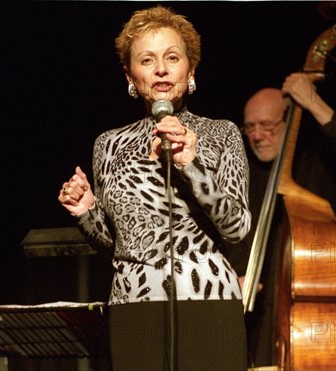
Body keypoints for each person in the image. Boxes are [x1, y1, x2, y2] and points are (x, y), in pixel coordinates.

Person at [57, 6, 250, 371]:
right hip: (133, 304)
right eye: (147, 60)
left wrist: (190, 166)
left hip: (206, 299)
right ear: (130, 75)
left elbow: (237, 227)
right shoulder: (108, 144)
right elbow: (113, 242)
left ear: (190, 70)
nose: (161, 69)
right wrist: (85, 211)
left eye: (172, 58)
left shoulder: (221, 133)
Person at [229, 72, 336, 368]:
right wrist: (232, 276)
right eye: (249, 128)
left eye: (267, 126)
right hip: (262, 319)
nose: (257, 136)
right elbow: (233, 236)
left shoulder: (319, 158)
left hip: (328, 316)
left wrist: (313, 102)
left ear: (288, 121)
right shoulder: (242, 170)